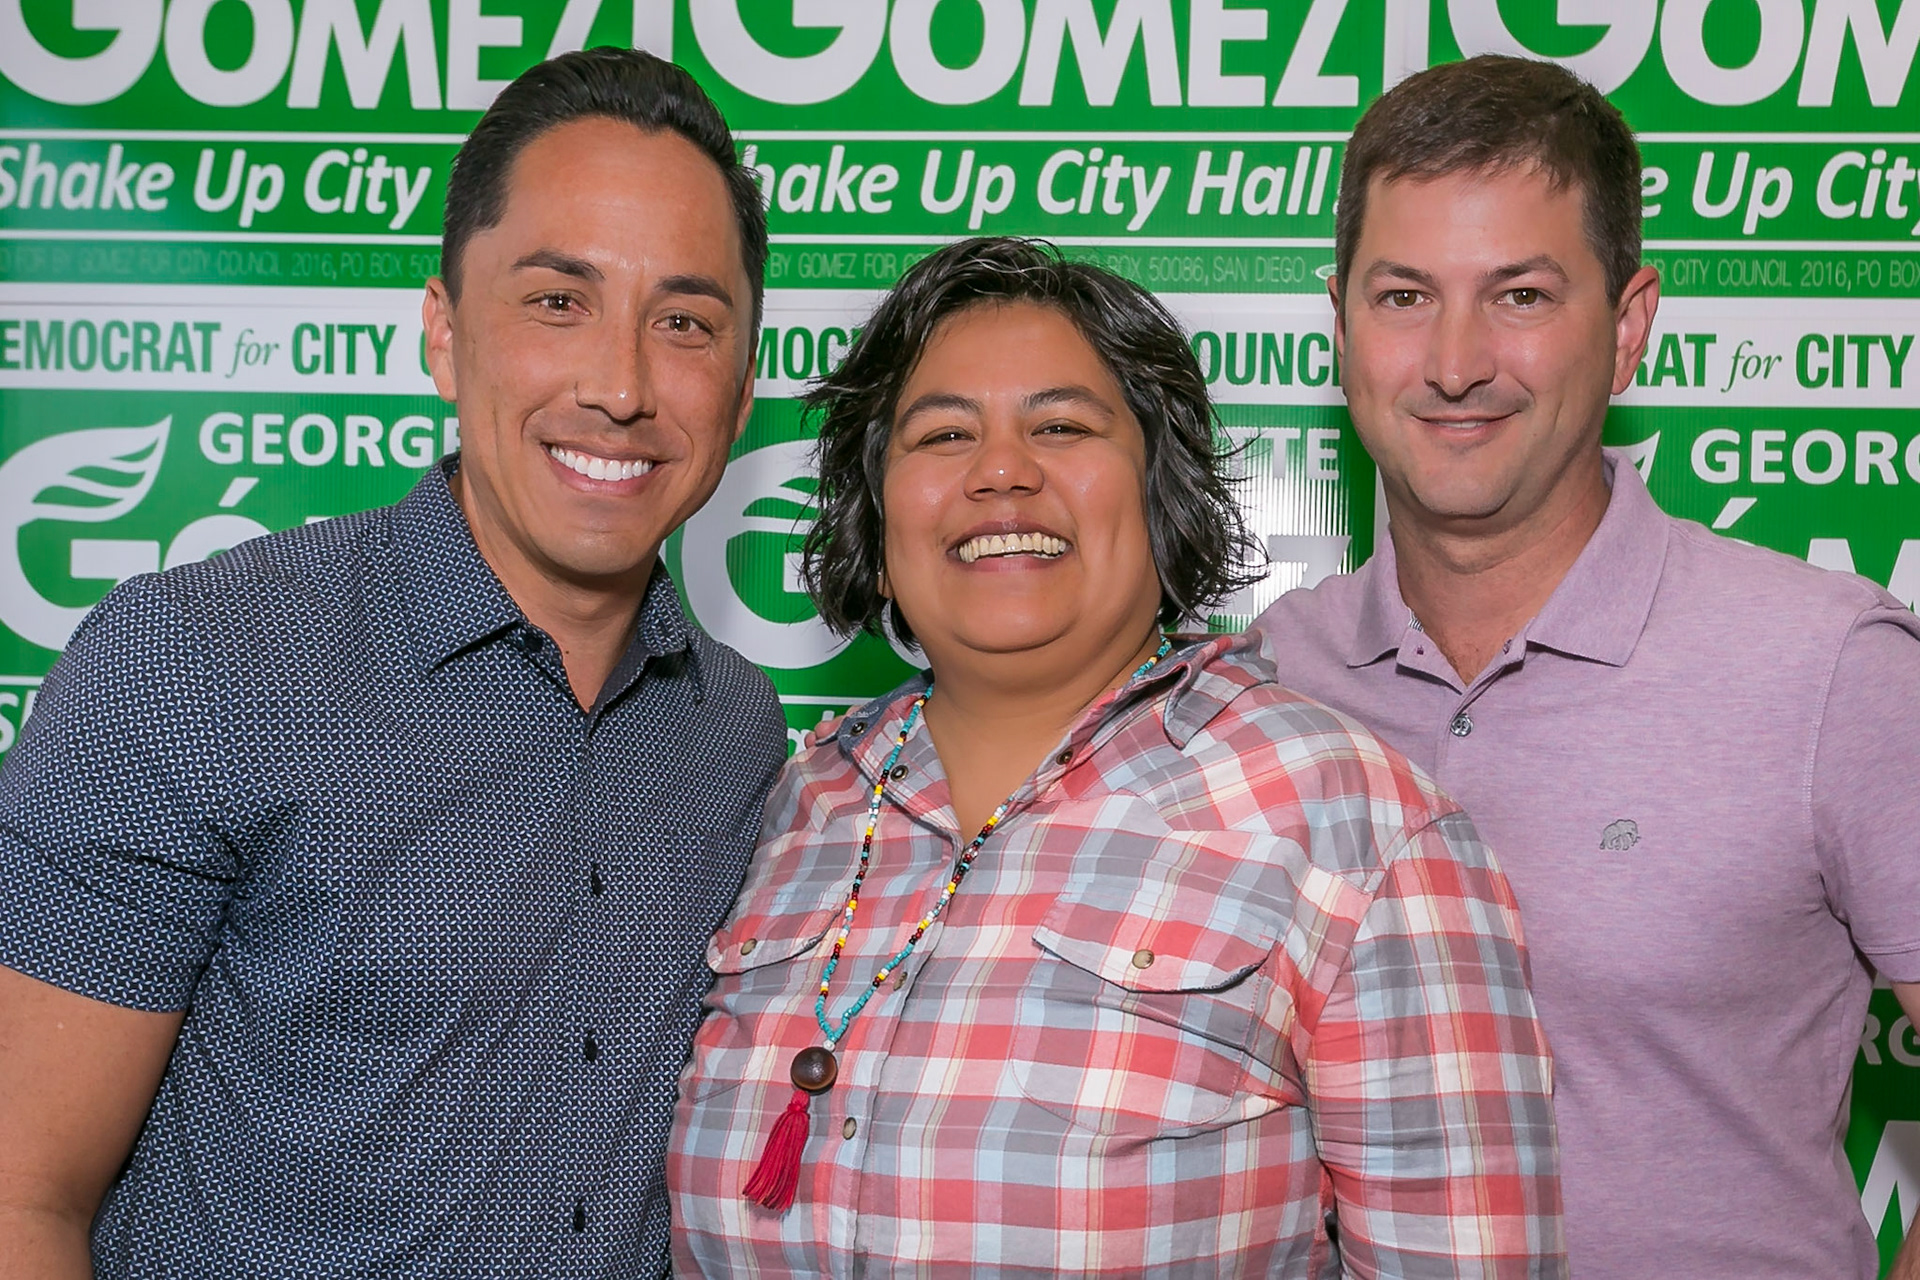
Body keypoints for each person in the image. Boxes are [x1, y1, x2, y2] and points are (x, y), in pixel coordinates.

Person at [0, 48, 785, 1279]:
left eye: (683, 322)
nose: (621, 385)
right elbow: (20, 1198)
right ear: (442, 330)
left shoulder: (738, 730)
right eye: (556, 300)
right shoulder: (194, 667)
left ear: (740, 393)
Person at [669, 236, 1567, 1278]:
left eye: (1061, 425)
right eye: (942, 433)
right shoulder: (795, 800)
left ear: (1162, 488)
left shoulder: (1358, 828)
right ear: (877, 510)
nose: (1000, 471)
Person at [1253, 55, 1920, 1280]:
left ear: (1628, 327)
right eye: (1403, 296)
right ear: (1338, 321)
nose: (1455, 362)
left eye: (1519, 295)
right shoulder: (1263, 680)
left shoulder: (1833, 668)